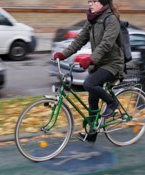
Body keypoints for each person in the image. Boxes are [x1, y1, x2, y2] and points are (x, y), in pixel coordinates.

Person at [52, 0, 124, 143]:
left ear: (102, 3)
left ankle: (112, 103)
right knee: (92, 101)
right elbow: (79, 40)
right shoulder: (92, 19)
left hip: (112, 64)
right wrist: (63, 54)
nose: (90, 4)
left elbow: (106, 44)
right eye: (89, 1)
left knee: (89, 84)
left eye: (93, 1)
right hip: (98, 63)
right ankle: (92, 133)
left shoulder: (111, 20)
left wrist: (91, 58)